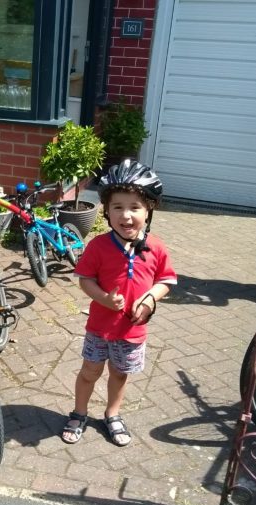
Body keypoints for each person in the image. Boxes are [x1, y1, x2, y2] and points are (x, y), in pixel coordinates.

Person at [61, 160, 177, 447]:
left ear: (149, 209)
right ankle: (79, 412)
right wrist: (103, 298)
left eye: (135, 207)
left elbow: (166, 280)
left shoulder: (157, 247)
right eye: (117, 207)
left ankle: (112, 414)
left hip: (132, 330)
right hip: (100, 327)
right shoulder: (98, 246)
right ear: (106, 211)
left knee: (119, 374)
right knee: (90, 371)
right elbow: (85, 279)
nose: (126, 215)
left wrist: (150, 299)